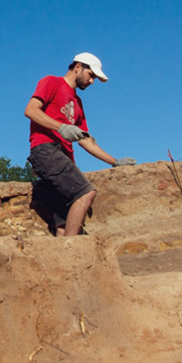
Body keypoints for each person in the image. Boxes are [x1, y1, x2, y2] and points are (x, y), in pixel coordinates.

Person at [24, 53, 135, 236]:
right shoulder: (52, 82)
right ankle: (73, 247)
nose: (92, 81)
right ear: (78, 67)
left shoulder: (77, 102)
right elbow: (30, 110)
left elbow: (85, 140)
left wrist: (114, 162)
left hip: (64, 158)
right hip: (46, 151)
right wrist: (61, 127)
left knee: (63, 223)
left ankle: (64, 249)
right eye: (91, 75)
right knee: (85, 193)